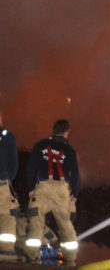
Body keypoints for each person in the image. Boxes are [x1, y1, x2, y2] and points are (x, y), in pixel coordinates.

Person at [24, 119, 79, 266]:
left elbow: (30, 168)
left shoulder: (40, 145)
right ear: (67, 132)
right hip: (61, 191)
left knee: (35, 222)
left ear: (53, 130)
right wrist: (75, 194)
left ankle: (31, 257)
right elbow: (75, 174)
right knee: (65, 224)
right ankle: (70, 259)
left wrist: (30, 188)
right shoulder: (69, 149)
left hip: (42, 188)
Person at [0, 111, 17, 255]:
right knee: (6, 215)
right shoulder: (7, 136)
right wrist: (7, 178)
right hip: (2, 182)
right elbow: (13, 163)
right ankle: (6, 251)